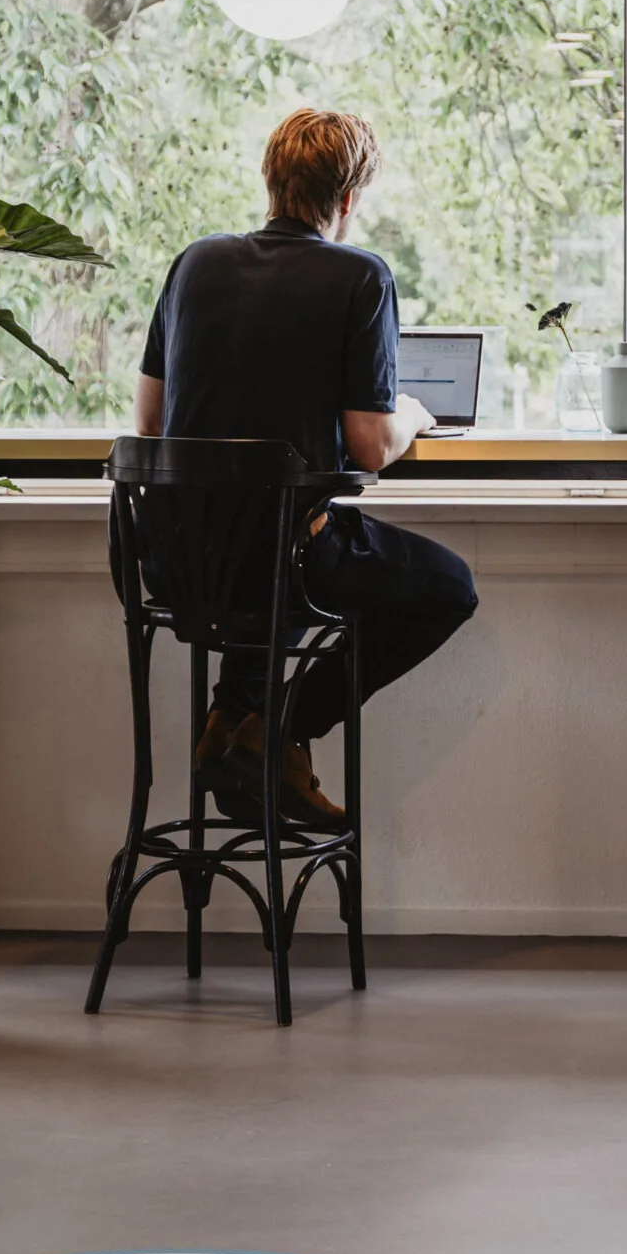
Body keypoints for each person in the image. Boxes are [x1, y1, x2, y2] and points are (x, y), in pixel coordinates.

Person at [136, 108, 479, 830]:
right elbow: (367, 447)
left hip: (176, 563)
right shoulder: (360, 276)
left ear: (271, 178)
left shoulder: (194, 262)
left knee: (270, 549)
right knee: (447, 586)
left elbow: (149, 423)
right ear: (349, 197)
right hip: (279, 559)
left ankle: (231, 721)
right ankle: (281, 732)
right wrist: (412, 415)